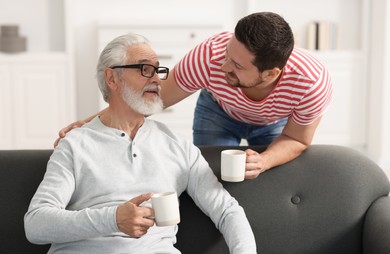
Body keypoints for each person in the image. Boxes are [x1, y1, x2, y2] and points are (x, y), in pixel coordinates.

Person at [24, 33, 257, 254]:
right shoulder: (75, 145)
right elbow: (36, 224)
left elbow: (227, 211)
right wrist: (113, 219)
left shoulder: (176, 146)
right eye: (145, 69)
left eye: (158, 70)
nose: (157, 79)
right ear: (112, 78)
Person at [56, 12, 333, 179]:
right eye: (228, 54)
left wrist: (264, 160)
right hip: (218, 111)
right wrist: (91, 122)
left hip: (274, 123)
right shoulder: (210, 55)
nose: (223, 66)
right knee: (209, 177)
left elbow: (297, 138)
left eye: (237, 66)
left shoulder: (312, 83)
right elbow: (156, 97)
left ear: (270, 74)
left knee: (265, 176)